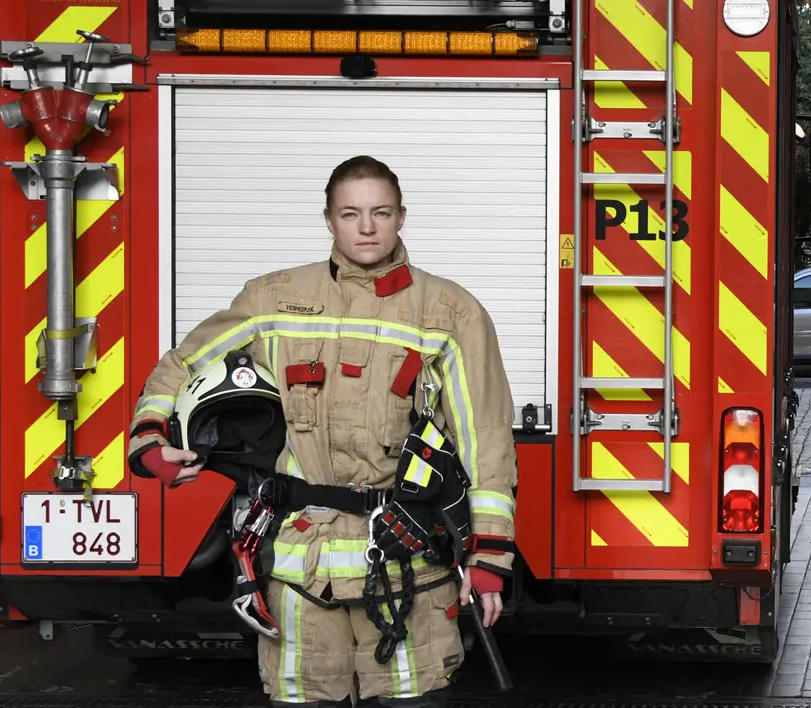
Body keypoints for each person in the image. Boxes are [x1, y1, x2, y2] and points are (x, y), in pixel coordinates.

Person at [125, 156, 520, 708]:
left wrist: (489, 556)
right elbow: (183, 363)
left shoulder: (451, 313)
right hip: (301, 568)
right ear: (329, 219)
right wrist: (149, 436)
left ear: (402, 216)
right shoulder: (273, 298)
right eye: (350, 214)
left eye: (381, 212)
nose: (367, 227)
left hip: (405, 566)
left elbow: (486, 439)